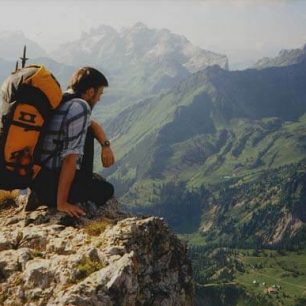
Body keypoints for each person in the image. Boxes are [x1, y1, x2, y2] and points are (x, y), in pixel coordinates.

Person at [31, 67, 115, 218]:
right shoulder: (81, 107)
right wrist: (62, 203)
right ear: (90, 92)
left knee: (88, 131)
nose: (99, 99)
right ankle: (71, 190)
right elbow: (70, 157)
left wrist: (105, 146)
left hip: (39, 178)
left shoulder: (63, 100)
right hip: (51, 186)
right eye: (99, 93)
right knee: (106, 190)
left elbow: (92, 125)